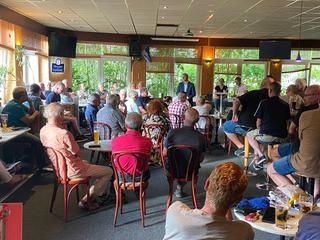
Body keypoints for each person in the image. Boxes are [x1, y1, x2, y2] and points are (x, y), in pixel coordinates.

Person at [40, 103, 113, 210]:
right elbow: (77, 152)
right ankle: (85, 199)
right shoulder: (64, 133)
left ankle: (88, 197)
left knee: (86, 163)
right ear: (60, 114)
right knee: (108, 171)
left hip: (59, 169)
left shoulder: (43, 130)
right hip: (73, 170)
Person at [163, 162, 254, 240]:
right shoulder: (245, 232)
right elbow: (228, 224)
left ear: (206, 184)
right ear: (239, 199)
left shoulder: (174, 212)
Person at [267, 108, 320, 199]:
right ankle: (315, 201)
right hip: (314, 160)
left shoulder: (306, 114)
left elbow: (294, 133)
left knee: (270, 169)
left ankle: (300, 198)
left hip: (304, 158)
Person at [163, 108, 206, 198]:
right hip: (190, 171)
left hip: (172, 170)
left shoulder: (172, 133)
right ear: (197, 120)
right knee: (189, 166)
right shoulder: (201, 137)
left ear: (183, 118)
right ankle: (180, 189)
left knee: (177, 163)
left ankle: (177, 189)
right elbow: (201, 159)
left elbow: (164, 153)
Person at [246, 82, 290, 170]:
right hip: (283, 137)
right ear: (280, 91)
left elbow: (258, 122)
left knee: (249, 135)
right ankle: (261, 163)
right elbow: (287, 122)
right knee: (258, 135)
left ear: (269, 90)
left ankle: (261, 156)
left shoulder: (264, 103)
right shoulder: (286, 104)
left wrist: (260, 130)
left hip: (267, 136)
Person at [2, 87, 48, 169]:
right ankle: (42, 166)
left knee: (37, 138)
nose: (28, 95)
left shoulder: (16, 103)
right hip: (14, 132)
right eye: (26, 94)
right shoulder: (15, 106)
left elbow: (30, 112)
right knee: (37, 141)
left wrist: (30, 103)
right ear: (22, 96)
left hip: (21, 130)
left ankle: (31, 163)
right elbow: (29, 121)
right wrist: (36, 114)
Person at [223, 78, 270, 156]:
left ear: (262, 85)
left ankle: (241, 147)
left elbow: (237, 101)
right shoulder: (272, 98)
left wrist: (234, 114)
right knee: (257, 135)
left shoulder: (253, 93)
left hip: (246, 126)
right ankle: (257, 159)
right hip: (263, 128)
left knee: (226, 126)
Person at [271, 85, 320, 161]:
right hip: (315, 152)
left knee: (273, 153)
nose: (304, 97)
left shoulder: (304, 110)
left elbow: (291, 130)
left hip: (301, 148)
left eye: (306, 95)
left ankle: (287, 169)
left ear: (316, 96)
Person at [111, 112, 152, 181]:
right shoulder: (147, 142)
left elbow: (114, 159)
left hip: (121, 176)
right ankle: (139, 190)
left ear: (125, 125)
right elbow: (147, 159)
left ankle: (119, 190)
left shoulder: (115, 141)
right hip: (140, 177)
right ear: (141, 126)